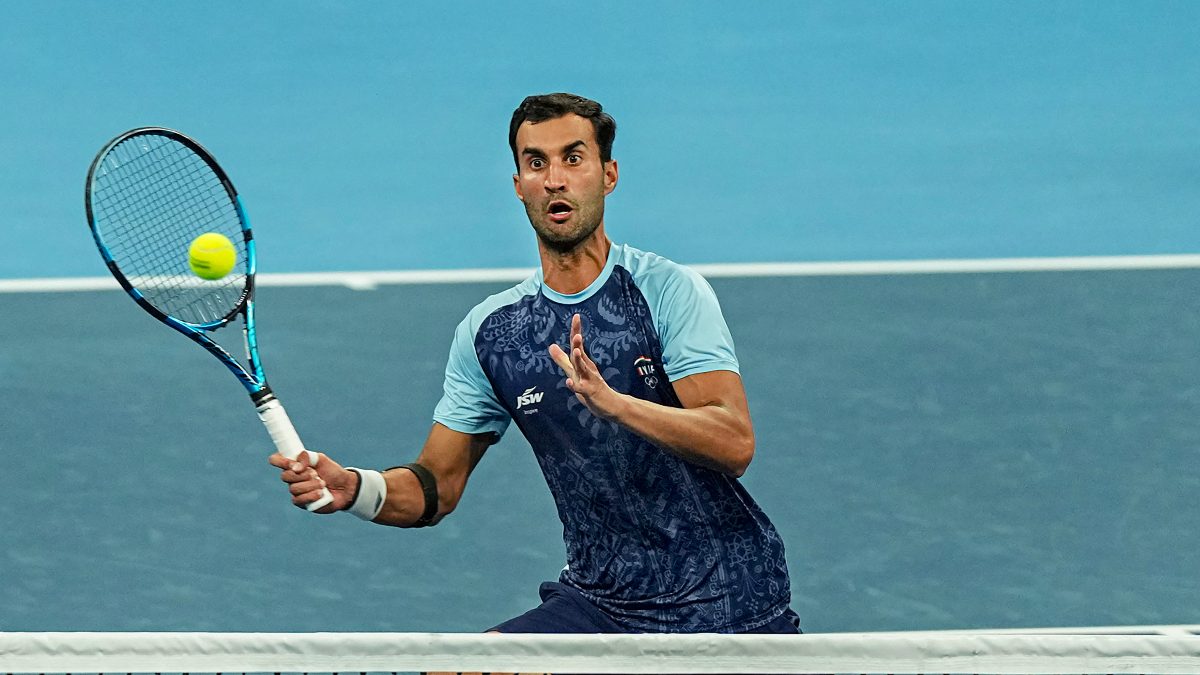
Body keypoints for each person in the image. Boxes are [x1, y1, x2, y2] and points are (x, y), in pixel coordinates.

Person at [271, 92, 800, 634]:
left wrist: (619, 407)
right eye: (535, 162)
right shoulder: (492, 334)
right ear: (519, 184)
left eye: (573, 158)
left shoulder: (666, 291)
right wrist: (356, 489)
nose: (554, 179)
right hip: (602, 605)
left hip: (727, 602)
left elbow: (734, 443)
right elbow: (438, 485)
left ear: (608, 174)